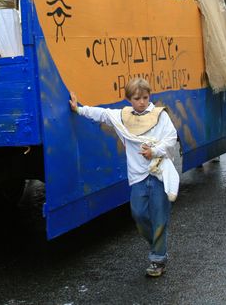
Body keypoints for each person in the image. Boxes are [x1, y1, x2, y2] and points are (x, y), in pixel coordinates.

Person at [69, 77, 179, 278]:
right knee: (138, 215)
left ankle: (158, 259)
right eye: (137, 98)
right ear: (129, 99)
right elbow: (101, 114)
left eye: (145, 97)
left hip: (159, 173)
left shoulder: (160, 116)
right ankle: (157, 245)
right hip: (137, 177)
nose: (142, 102)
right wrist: (79, 109)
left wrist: (154, 151)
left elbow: (171, 138)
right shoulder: (123, 116)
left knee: (160, 217)